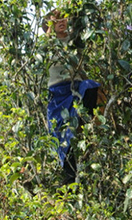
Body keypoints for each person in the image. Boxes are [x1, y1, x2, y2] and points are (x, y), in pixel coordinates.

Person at [43, 10, 101, 184]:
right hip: (58, 94)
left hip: (76, 88)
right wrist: (49, 34)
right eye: (56, 20)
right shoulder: (46, 45)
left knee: (91, 86)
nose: (61, 21)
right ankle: (68, 179)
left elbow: (81, 67)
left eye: (63, 18)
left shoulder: (74, 42)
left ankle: (90, 124)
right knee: (64, 137)